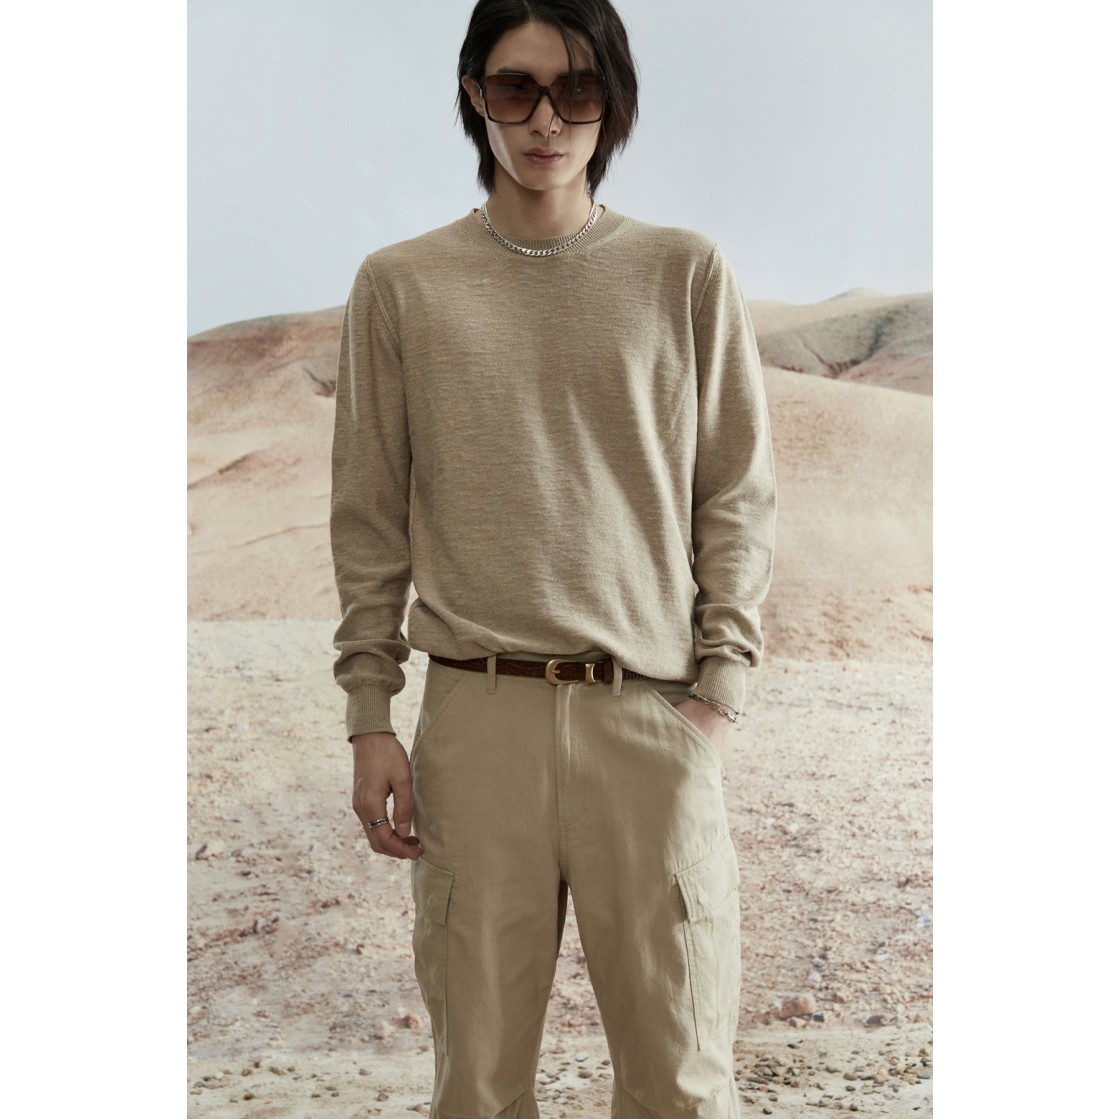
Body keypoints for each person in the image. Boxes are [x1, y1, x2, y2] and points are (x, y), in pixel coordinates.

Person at [330, 1, 776, 1115]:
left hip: (650, 722)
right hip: (476, 722)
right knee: (477, 1086)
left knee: (681, 1085)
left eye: (576, 90)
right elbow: (369, 517)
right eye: (514, 88)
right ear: (473, 95)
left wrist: (718, 696)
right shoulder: (401, 285)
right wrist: (370, 714)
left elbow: (736, 496)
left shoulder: (684, 274)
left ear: (611, 102)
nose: (545, 120)